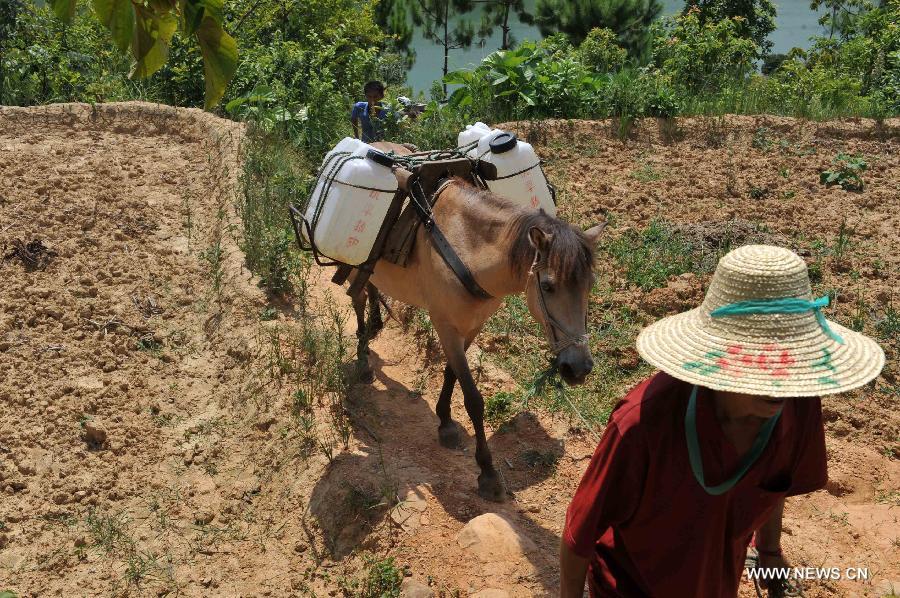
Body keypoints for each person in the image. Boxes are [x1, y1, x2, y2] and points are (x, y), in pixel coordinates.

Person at [559, 245, 885, 597]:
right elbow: (579, 535)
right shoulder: (642, 425)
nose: (781, 386)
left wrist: (770, 550)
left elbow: (776, 482)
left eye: (791, 369)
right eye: (764, 368)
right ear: (724, 361)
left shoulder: (797, 405)